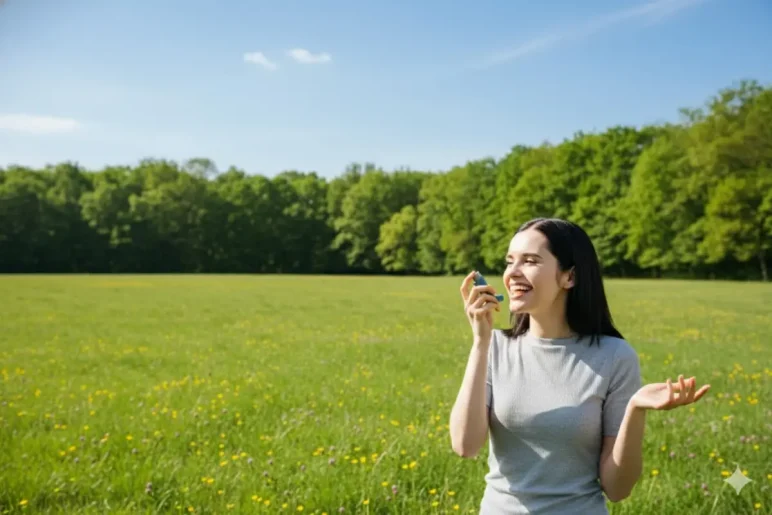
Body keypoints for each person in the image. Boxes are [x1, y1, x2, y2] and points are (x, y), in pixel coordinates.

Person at [449, 218, 710, 515]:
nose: (512, 273)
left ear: (569, 277)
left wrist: (635, 409)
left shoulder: (614, 357)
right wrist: (481, 342)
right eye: (510, 261)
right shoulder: (494, 347)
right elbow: (464, 446)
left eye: (530, 261)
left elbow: (617, 488)